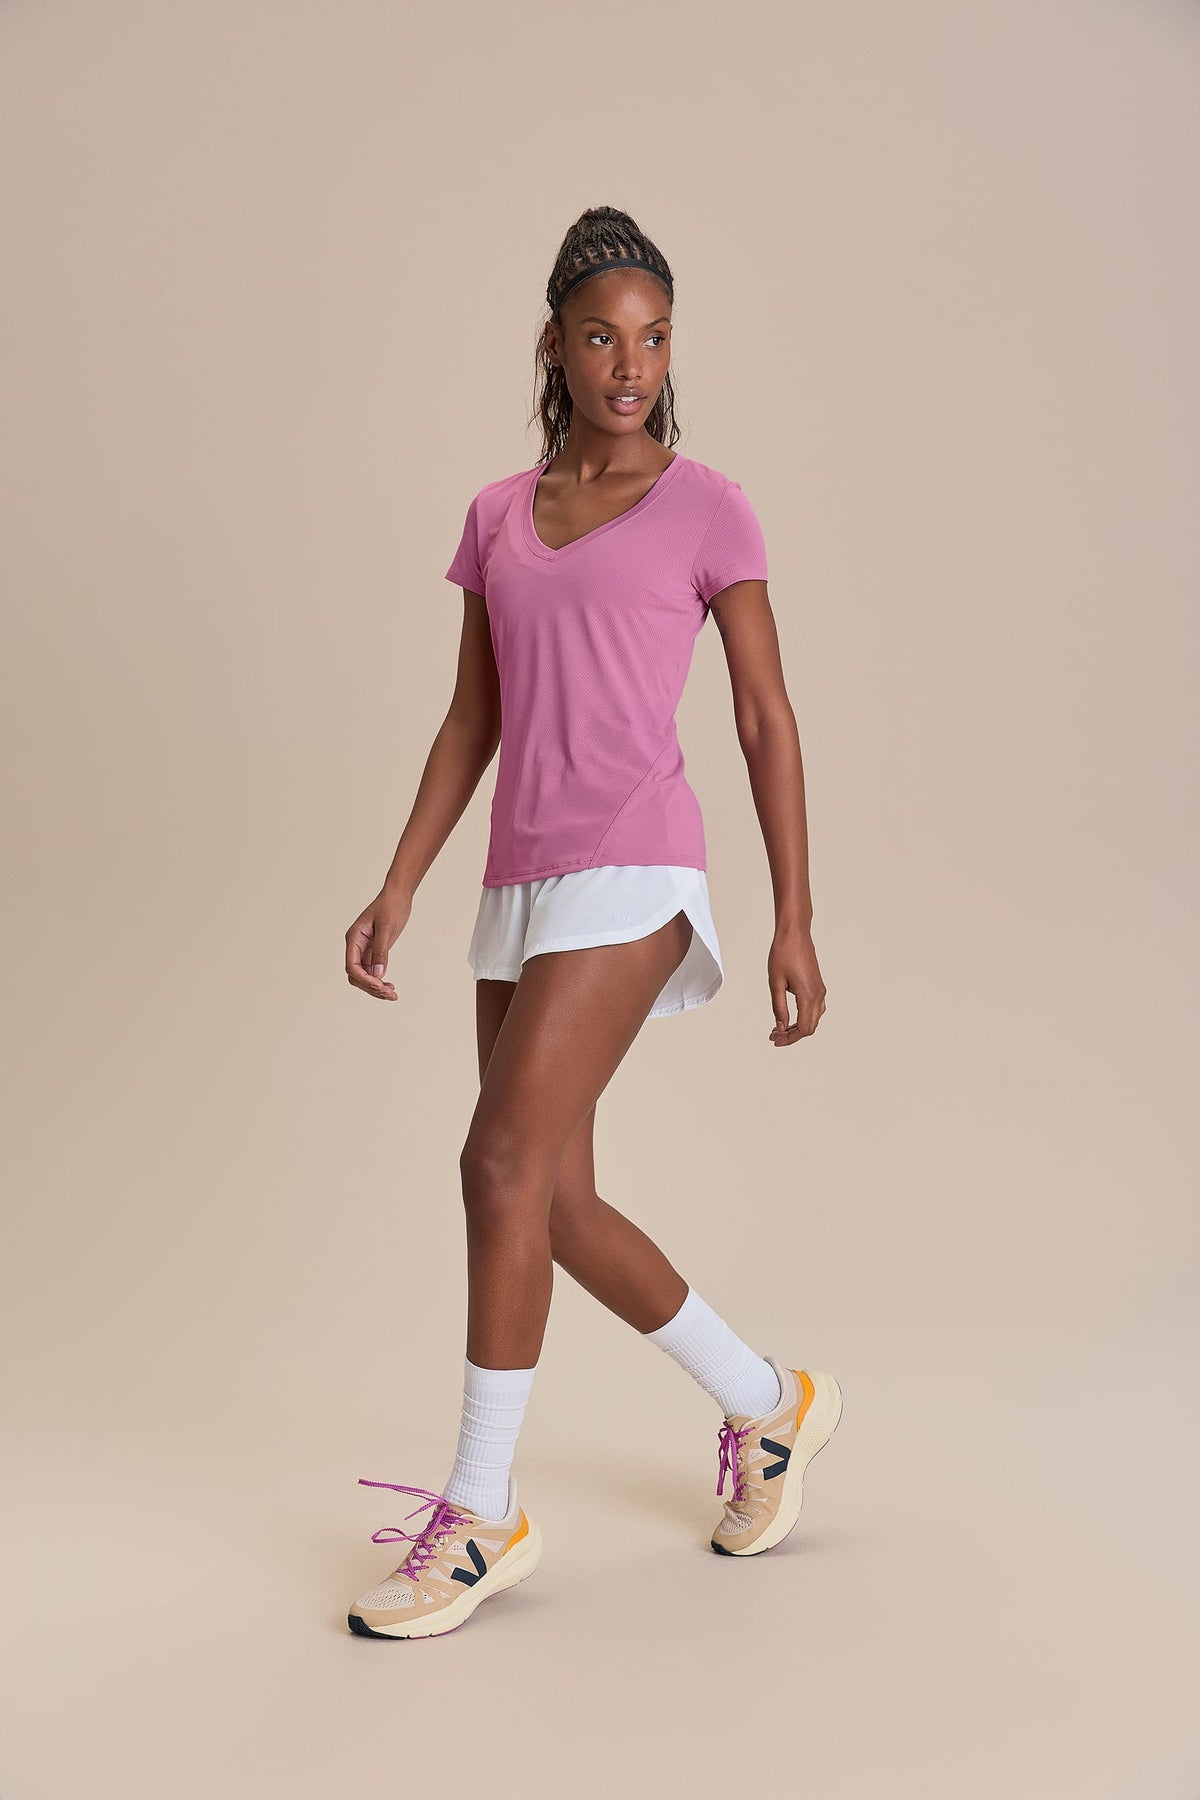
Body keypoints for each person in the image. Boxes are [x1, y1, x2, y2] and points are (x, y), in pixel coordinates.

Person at [342, 206, 842, 1641]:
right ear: (556, 348)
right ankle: (771, 1403)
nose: (632, 364)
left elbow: (764, 717)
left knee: (494, 1160)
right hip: (521, 884)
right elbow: (473, 718)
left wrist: (794, 916)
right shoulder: (498, 516)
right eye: (605, 337)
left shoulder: (709, 509)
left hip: (638, 867)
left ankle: (480, 1514)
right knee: (551, 1204)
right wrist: (402, 880)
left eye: (656, 337)